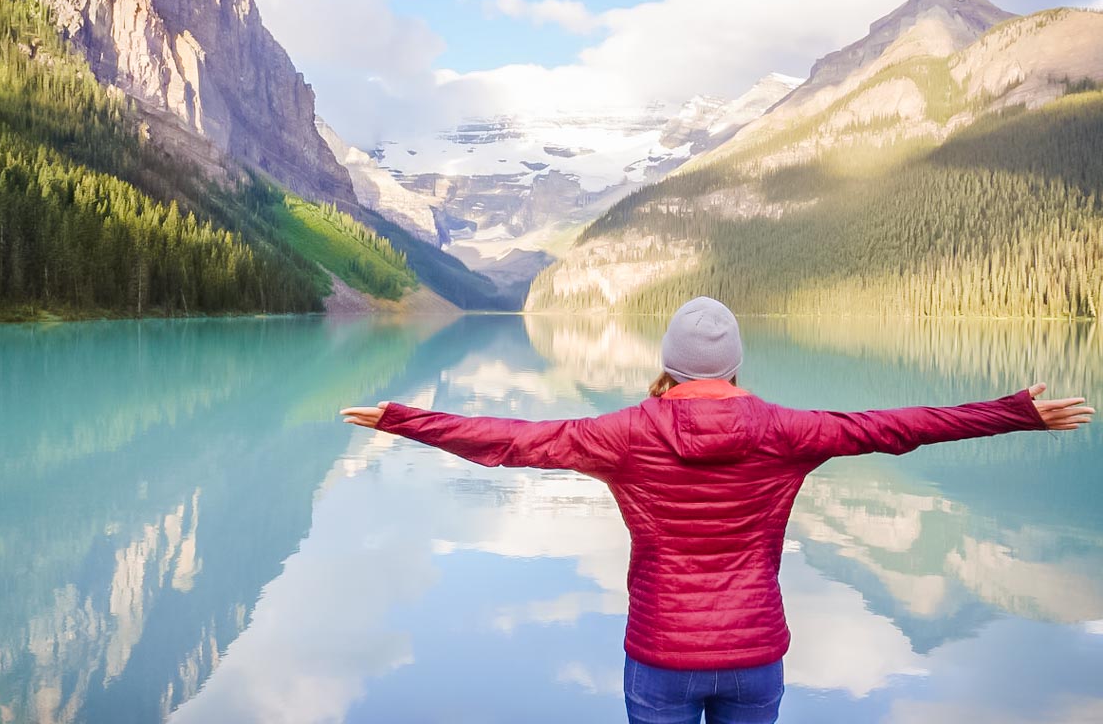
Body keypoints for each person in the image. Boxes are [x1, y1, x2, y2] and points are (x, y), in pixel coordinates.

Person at [341, 297, 1093, 724]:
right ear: (734, 365)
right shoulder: (788, 432)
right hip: (755, 655)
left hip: (661, 657)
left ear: (668, 363)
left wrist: (409, 419)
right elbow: (899, 427)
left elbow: (517, 442)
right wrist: (1013, 413)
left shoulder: (624, 434)